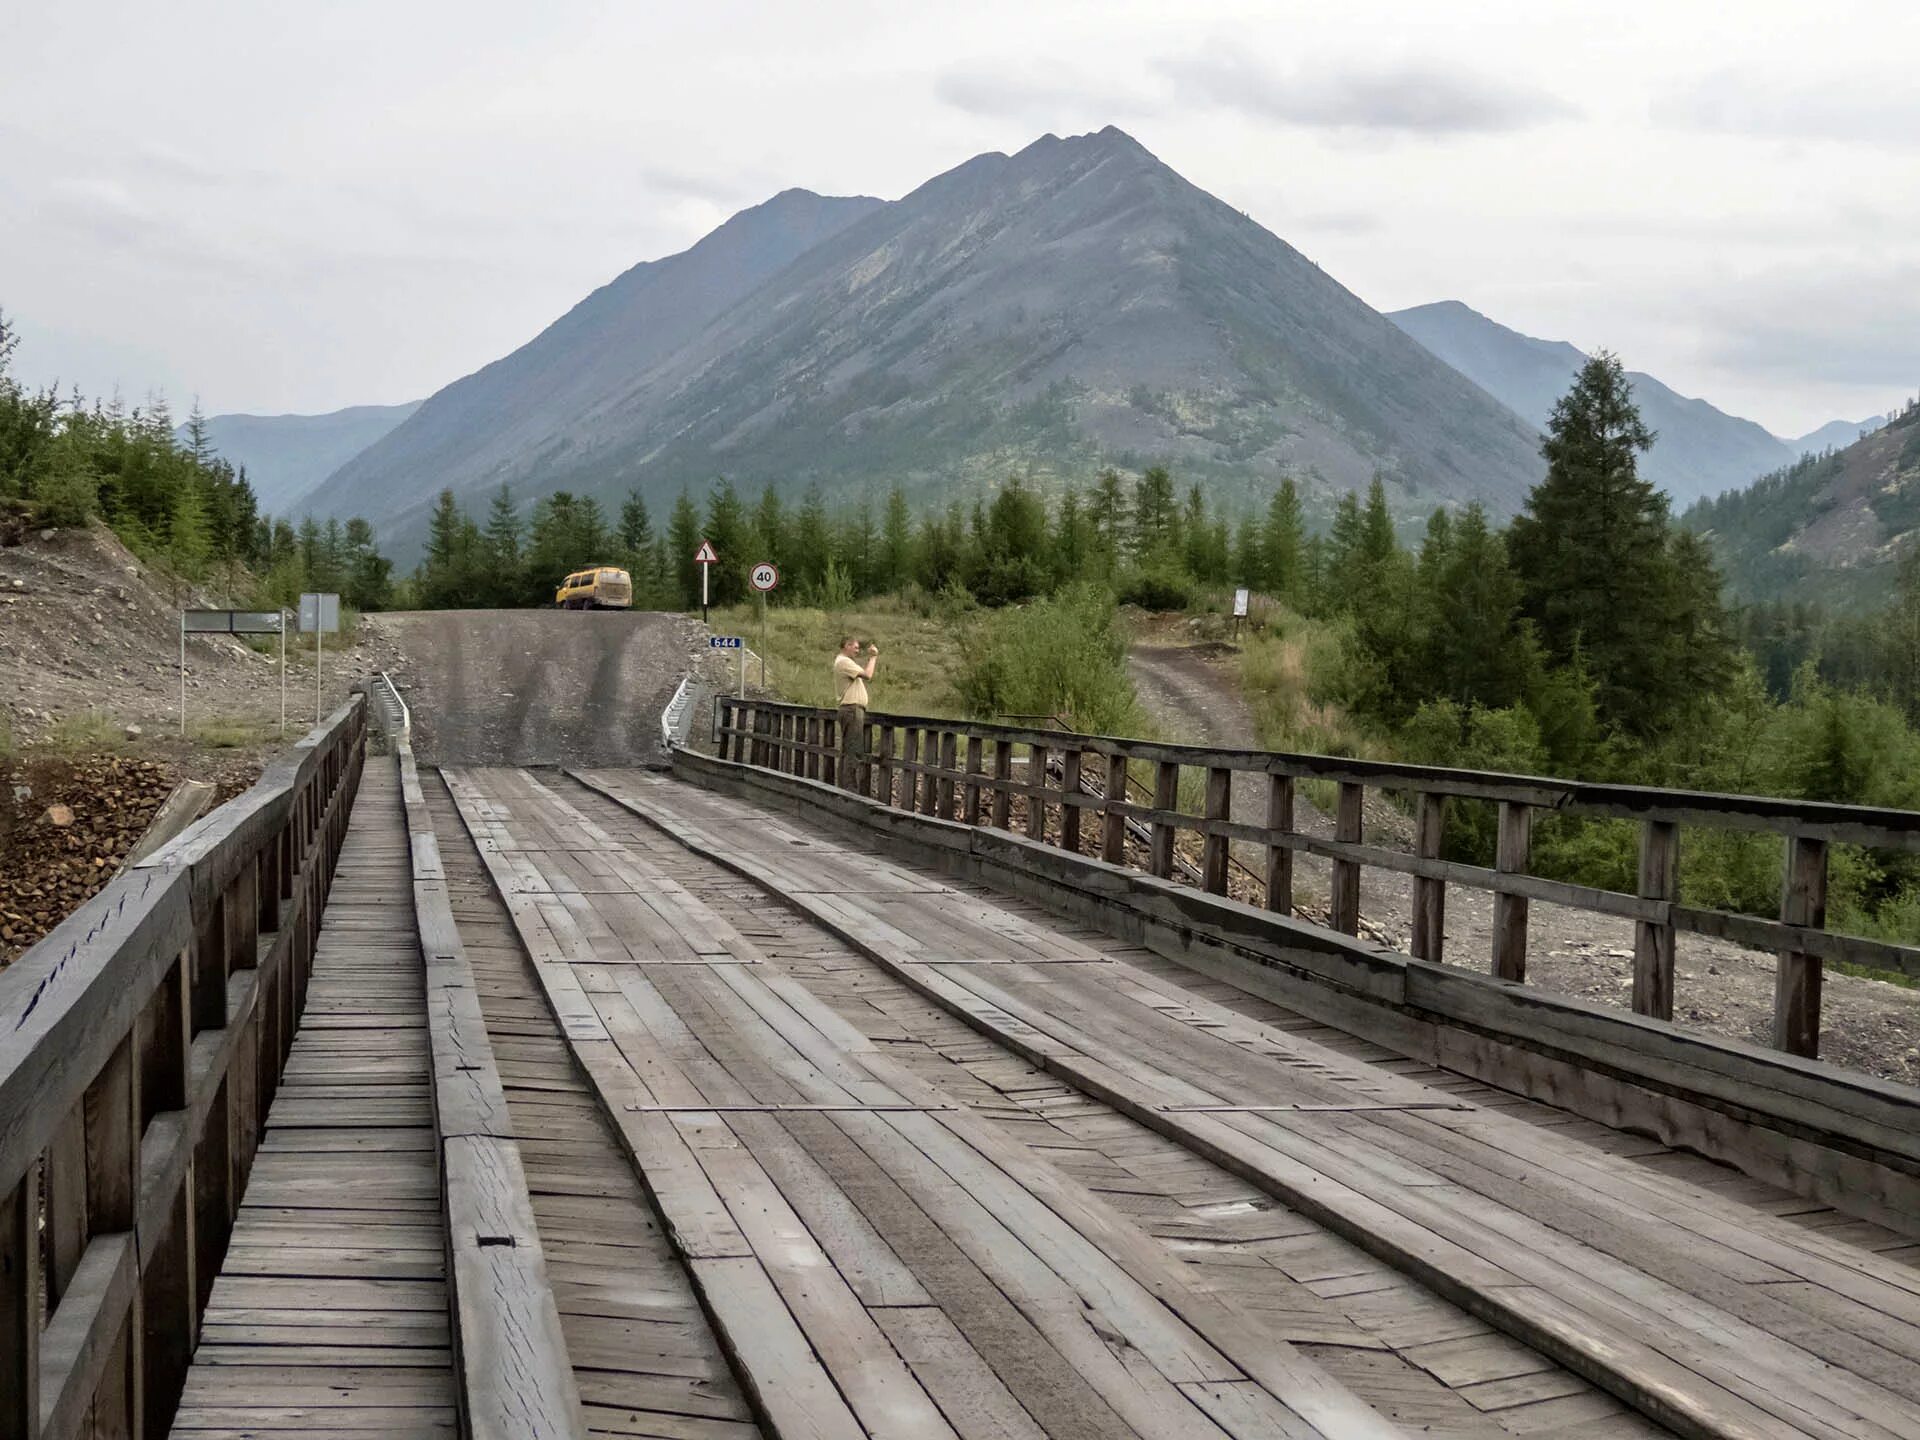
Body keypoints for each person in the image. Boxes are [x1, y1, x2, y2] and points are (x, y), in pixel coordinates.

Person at [832, 636, 878, 790]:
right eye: (856, 647)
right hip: (852, 709)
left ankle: (844, 788)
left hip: (850, 709)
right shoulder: (844, 662)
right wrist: (873, 657)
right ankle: (849, 790)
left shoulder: (842, 662)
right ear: (846, 645)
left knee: (847, 750)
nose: (858, 651)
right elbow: (868, 675)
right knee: (853, 751)